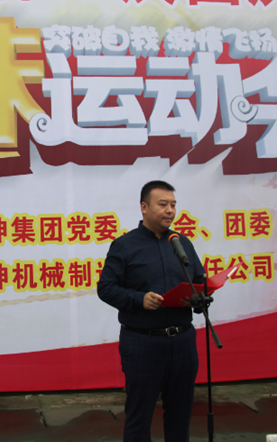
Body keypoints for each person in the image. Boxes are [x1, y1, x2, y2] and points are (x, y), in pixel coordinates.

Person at [97, 180, 205, 442]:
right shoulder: (125, 245)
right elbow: (106, 288)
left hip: (183, 341)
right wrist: (139, 299)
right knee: (140, 415)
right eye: (163, 204)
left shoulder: (181, 242)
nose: (170, 211)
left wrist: (198, 298)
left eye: (173, 205)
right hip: (143, 342)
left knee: (180, 414)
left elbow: (198, 279)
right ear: (144, 207)